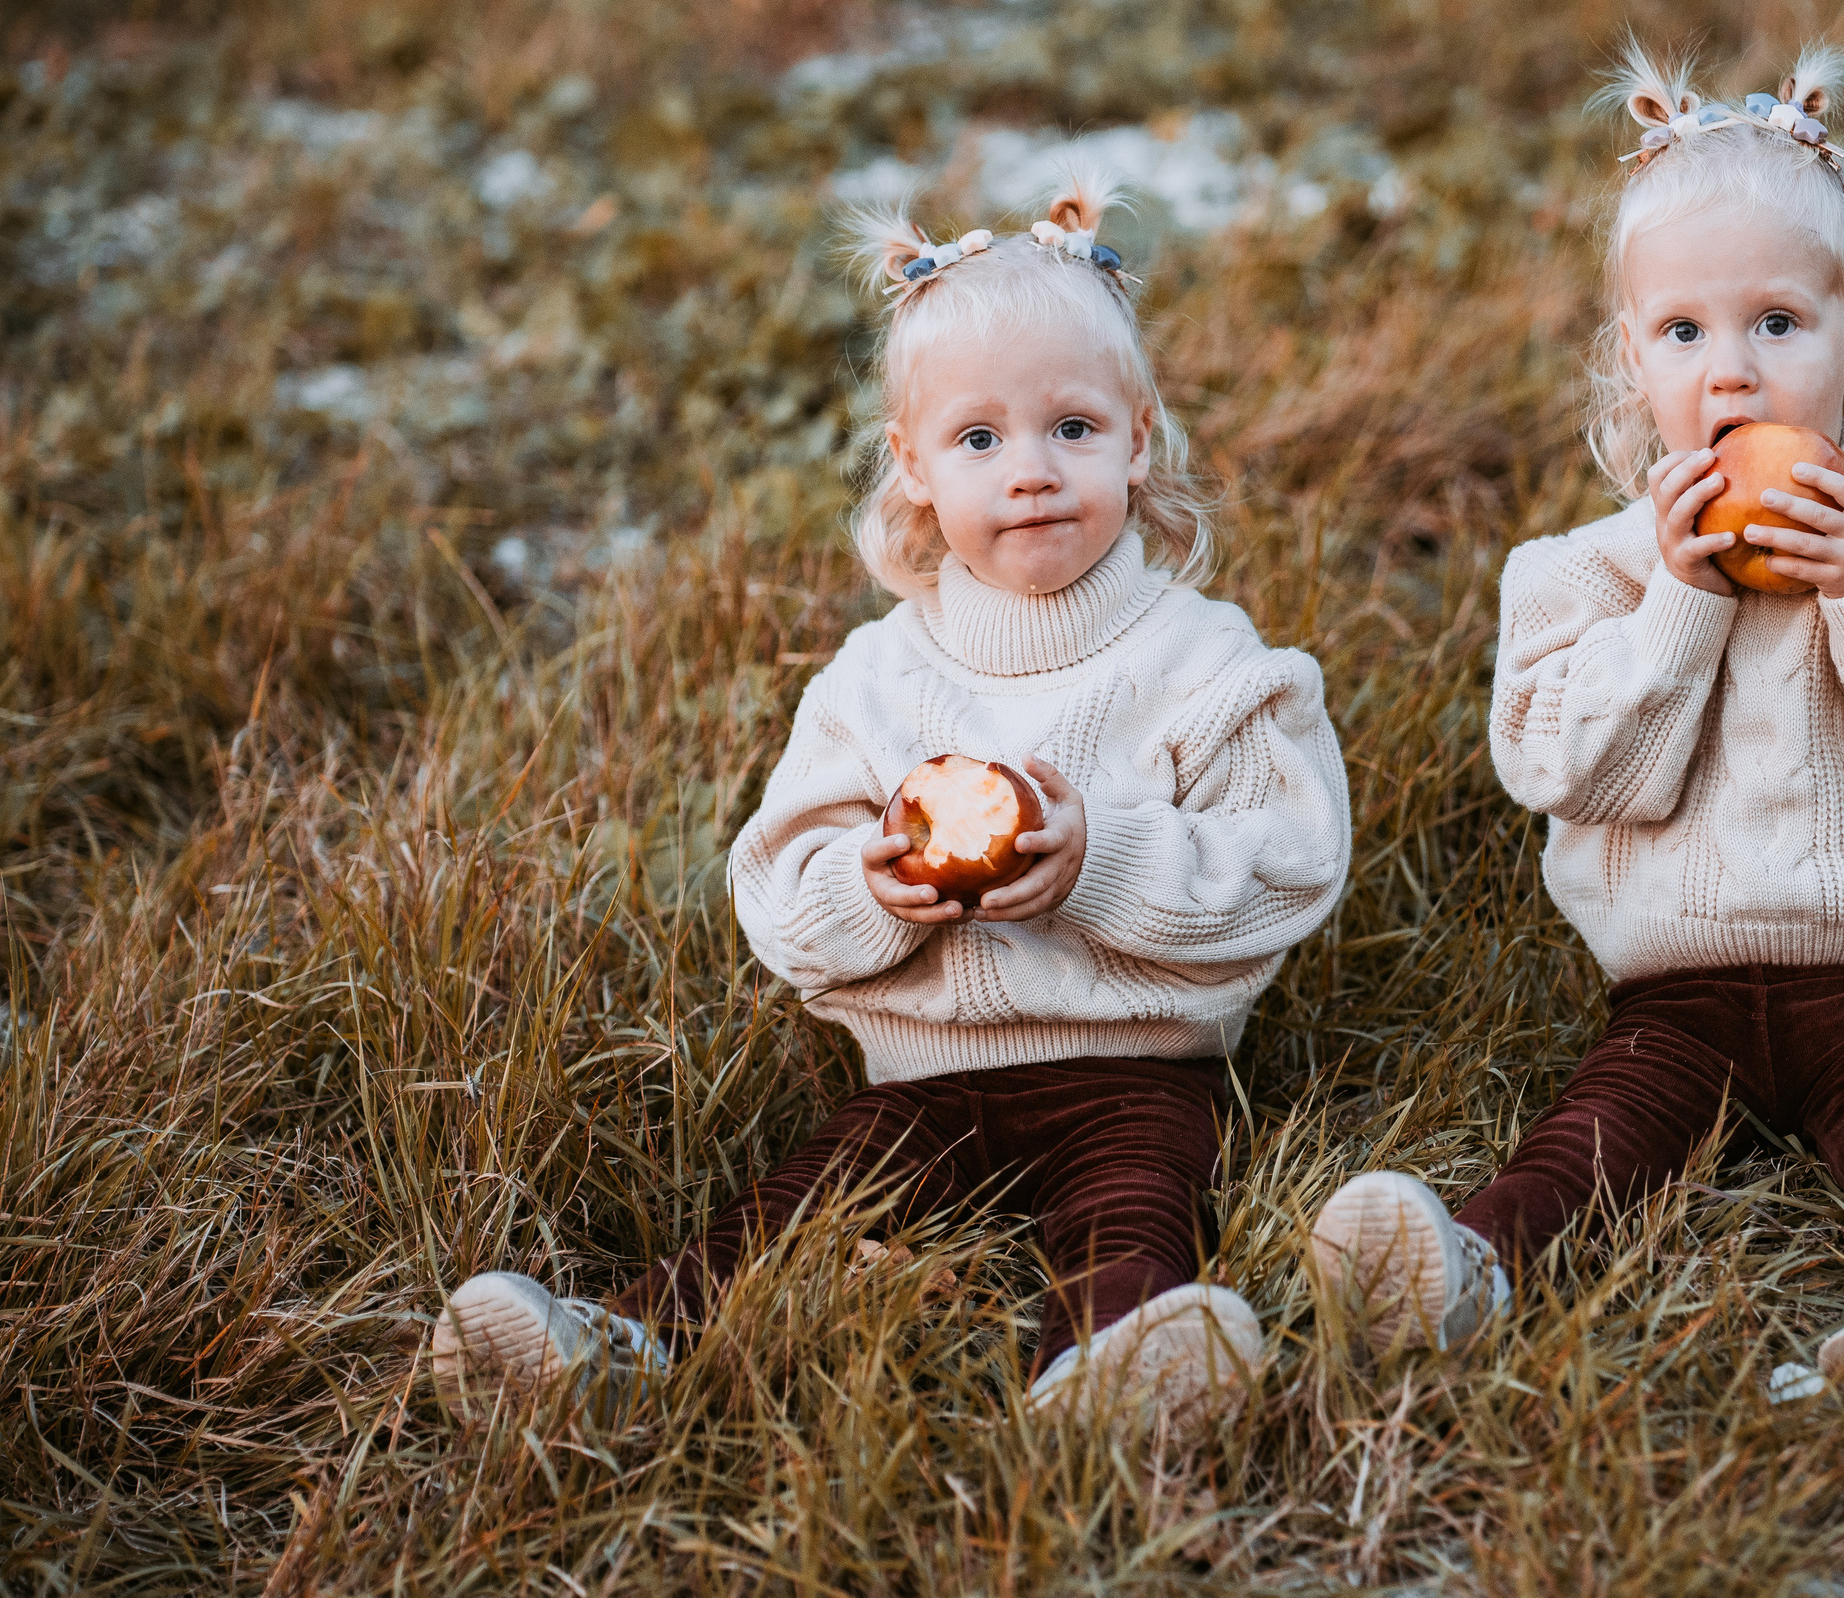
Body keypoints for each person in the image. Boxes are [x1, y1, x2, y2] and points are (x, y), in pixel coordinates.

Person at [431, 174, 1352, 1432]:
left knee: (1134, 1208)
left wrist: (1103, 857)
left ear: (1140, 439)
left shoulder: (1205, 661)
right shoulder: (876, 681)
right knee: (793, 1206)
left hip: (1136, 1065)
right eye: (979, 440)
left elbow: (1289, 863)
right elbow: (779, 890)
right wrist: (872, 890)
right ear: (913, 468)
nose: (1029, 473)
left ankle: (1112, 1369)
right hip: (920, 1075)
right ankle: (624, 1344)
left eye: (1071, 428)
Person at [1306, 46, 1844, 1411]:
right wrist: (1678, 605)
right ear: (1631, 356)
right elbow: (1564, 768)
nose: (1732, 374)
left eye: (1777, 322)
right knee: (1596, 1140)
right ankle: (1466, 1266)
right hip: (1679, 990)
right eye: (1684, 334)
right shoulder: (1582, 571)